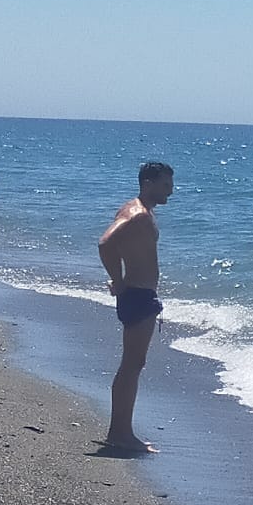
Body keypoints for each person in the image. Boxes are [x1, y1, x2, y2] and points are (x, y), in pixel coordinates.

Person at [96, 161, 175, 455]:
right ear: (148, 183)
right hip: (138, 295)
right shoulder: (137, 214)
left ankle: (120, 431)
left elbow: (114, 247)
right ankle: (121, 433)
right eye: (166, 185)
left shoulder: (138, 210)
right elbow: (106, 243)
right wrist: (117, 279)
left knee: (131, 365)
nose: (171, 191)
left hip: (138, 294)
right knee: (132, 366)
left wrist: (119, 279)